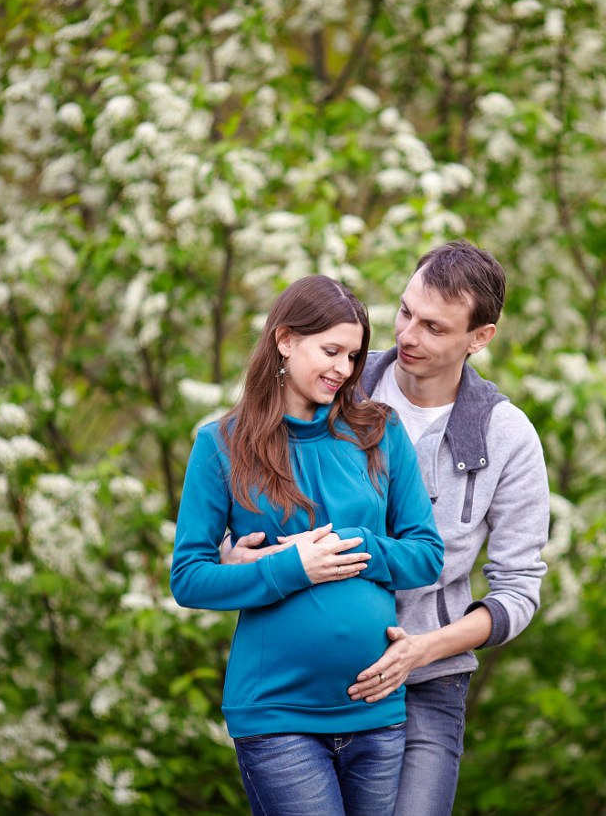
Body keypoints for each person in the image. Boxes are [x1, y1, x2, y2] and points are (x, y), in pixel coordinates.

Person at [227, 241, 551, 816]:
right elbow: (246, 477)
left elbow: (518, 590)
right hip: (306, 678)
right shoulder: (334, 380)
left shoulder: (508, 437)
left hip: (428, 682)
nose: (407, 335)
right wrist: (233, 554)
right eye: (405, 312)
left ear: (479, 337)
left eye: (434, 327)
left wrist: (420, 650)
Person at [169, 275, 445, 816]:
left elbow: (426, 555)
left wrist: (352, 544)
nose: (344, 368)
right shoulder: (221, 444)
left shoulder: (379, 433)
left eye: (354, 356)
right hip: (276, 716)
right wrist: (293, 567)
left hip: (376, 713)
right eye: (331, 351)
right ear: (286, 340)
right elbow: (189, 578)